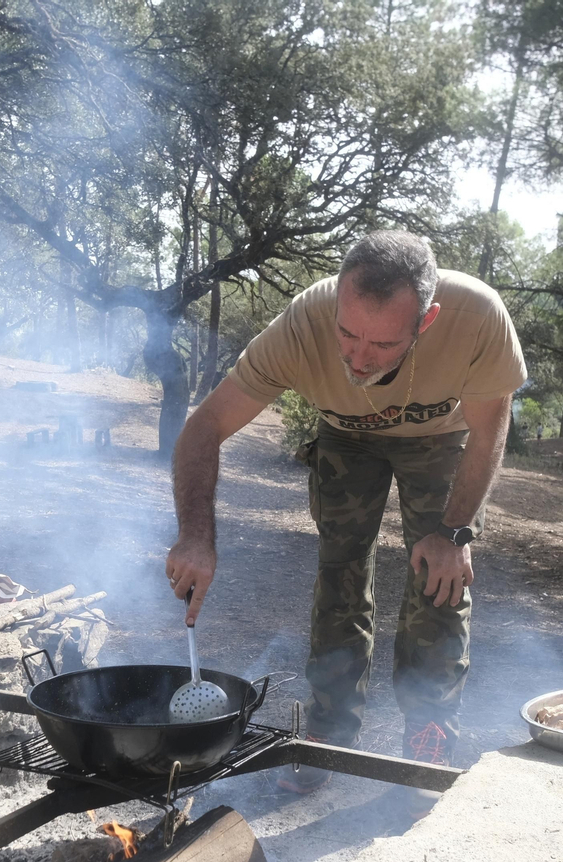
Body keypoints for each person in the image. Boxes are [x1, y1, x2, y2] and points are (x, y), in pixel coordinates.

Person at [165, 231, 525, 796]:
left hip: (442, 438)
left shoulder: (475, 315)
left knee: (440, 578)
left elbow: (489, 432)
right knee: (340, 573)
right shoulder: (303, 324)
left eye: (382, 344)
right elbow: (202, 429)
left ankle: (427, 752)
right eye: (348, 333)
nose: (358, 358)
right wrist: (195, 538)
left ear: (424, 322)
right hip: (347, 434)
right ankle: (330, 738)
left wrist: (454, 534)